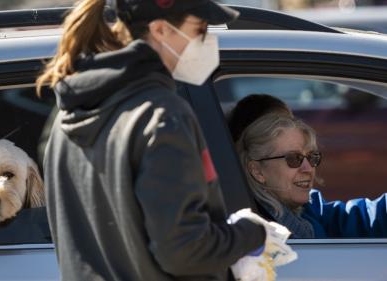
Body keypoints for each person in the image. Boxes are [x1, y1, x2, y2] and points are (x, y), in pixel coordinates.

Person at [37, 0, 269, 280]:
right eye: (200, 30)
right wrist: (252, 233)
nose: (208, 41)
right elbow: (184, 251)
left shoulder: (64, 117)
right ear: (160, 29)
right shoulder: (162, 116)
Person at [233, 98, 387, 238]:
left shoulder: (305, 208)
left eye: (311, 157)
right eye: (293, 159)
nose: (308, 168)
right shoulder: (260, 237)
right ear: (257, 171)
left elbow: (354, 219)